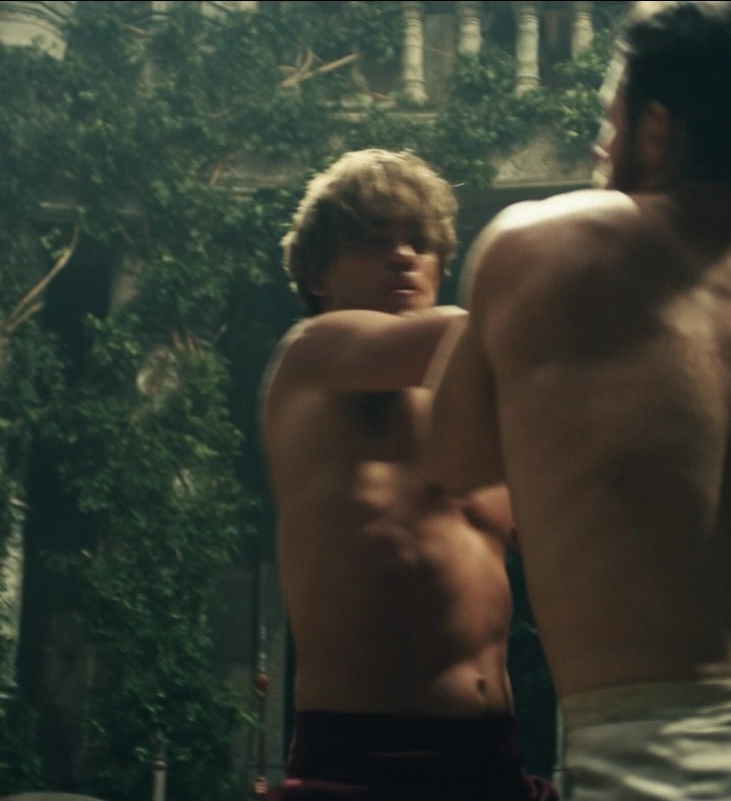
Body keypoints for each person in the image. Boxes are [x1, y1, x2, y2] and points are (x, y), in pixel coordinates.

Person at [426, 3, 731, 799]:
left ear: (656, 130)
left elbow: (454, 456)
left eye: (608, 120)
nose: (600, 147)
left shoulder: (544, 250)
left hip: (662, 763)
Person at [259, 149, 558, 801]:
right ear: (318, 274)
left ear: (441, 264)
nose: (402, 256)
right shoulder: (313, 356)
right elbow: (459, 331)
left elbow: (548, 531)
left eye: (419, 243)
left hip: (493, 759)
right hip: (363, 760)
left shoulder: (472, 414)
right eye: (374, 241)